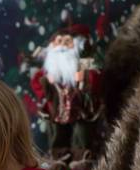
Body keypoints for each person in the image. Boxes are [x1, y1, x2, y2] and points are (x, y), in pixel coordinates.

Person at [30, 25, 102, 162]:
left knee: (81, 136)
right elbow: (37, 84)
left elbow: (97, 79)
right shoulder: (50, 69)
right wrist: (45, 81)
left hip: (80, 110)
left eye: (67, 42)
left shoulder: (83, 65)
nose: (62, 45)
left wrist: (85, 77)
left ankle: (81, 161)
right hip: (58, 111)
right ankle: (59, 160)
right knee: (58, 136)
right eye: (59, 41)